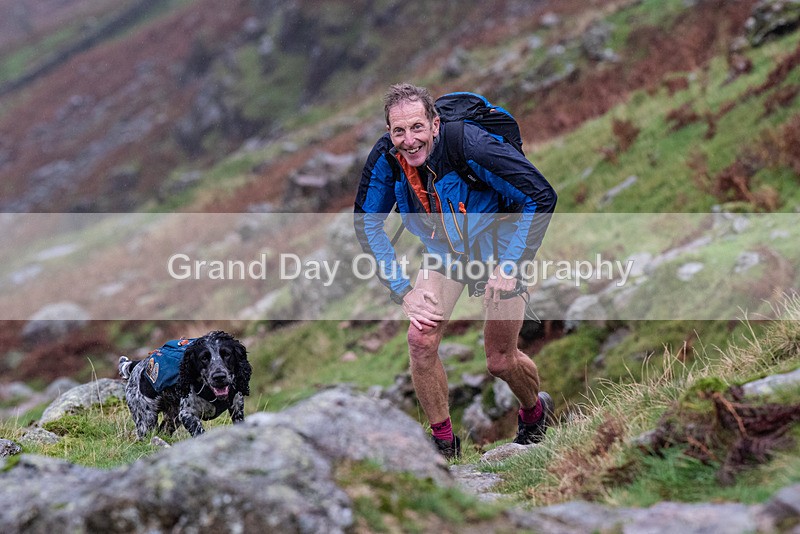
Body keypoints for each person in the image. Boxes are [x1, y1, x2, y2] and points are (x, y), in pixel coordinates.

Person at [354, 83, 557, 459]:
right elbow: (367, 223)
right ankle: (444, 446)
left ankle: (534, 412)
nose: (409, 140)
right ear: (389, 133)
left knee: (500, 360)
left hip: (499, 242)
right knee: (421, 340)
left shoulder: (471, 145)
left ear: (434, 124)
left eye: (417, 128)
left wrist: (510, 266)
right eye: (399, 131)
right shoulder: (387, 158)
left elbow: (541, 195)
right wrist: (403, 290)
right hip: (444, 250)